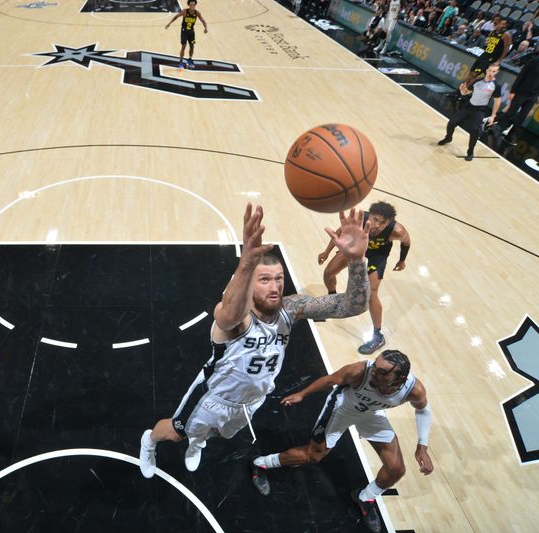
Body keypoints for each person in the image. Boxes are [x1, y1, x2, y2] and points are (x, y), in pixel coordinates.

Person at [138, 205, 371, 479]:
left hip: (252, 399)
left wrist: (356, 262)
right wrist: (246, 264)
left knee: (215, 433)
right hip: (213, 396)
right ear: (250, 282)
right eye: (264, 280)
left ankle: (198, 442)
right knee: (176, 433)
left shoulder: (291, 308)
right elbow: (227, 316)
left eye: (278, 279)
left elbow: (352, 306)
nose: (274, 287)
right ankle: (149, 441)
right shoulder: (238, 319)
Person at [250, 350, 433, 533]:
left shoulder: (413, 390)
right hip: (342, 409)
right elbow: (330, 380)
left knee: (396, 469)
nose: (374, 372)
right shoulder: (359, 371)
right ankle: (261, 464)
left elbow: (423, 410)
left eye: (382, 372)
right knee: (312, 456)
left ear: (399, 378)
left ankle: (365, 498)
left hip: (370, 415)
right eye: (375, 366)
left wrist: (422, 447)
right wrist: (302, 394)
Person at [318, 201, 410, 355]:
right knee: (328, 273)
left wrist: (402, 260)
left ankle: (378, 335)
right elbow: (339, 232)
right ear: (370, 215)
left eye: (383, 222)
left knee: (371, 294)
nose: (378, 225)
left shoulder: (397, 231)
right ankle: (333, 298)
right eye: (375, 220)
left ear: (389, 222)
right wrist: (326, 252)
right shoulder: (360, 220)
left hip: (377, 256)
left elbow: (407, 242)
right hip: (356, 246)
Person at [438, 62, 502, 160]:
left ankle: (470, 152)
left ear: (497, 72)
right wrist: (462, 90)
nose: (490, 73)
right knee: (451, 122)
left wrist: (493, 116)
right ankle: (448, 138)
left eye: (493, 71)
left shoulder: (496, 86)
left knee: (475, 131)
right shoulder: (478, 81)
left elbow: (497, 101)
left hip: (479, 110)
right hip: (468, 106)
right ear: (486, 70)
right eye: (489, 70)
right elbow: (466, 92)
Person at [501, 48, 539, 145]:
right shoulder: (533, 61)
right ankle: (496, 128)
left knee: (522, 117)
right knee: (510, 113)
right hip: (521, 92)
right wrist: (513, 91)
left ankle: (510, 135)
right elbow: (521, 76)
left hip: (533, 96)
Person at [164, 0, 207, 70]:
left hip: (191, 31)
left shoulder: (197, 13)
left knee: (192, 46)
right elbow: (176, 16)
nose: (192, 6)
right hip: (184, 31)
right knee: (183, 46)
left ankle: (189, 59)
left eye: (193, 4)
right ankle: (180, 62)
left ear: (195, 5)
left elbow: (203, 20)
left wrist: (205, 28)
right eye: (191, 4)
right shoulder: (185, 11)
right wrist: (169, 23)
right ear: (189, 5)